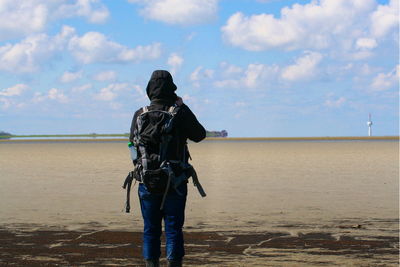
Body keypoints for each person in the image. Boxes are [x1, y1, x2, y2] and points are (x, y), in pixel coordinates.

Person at [129, 70, 206, 267]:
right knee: (173, 229)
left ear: (149, 89)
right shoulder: (179, 112)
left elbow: (133, 146)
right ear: (172, 88)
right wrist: (182, 106)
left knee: (150, 229)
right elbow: (199, 135)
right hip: (176, 182)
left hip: (147, 181)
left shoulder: (140, 114)